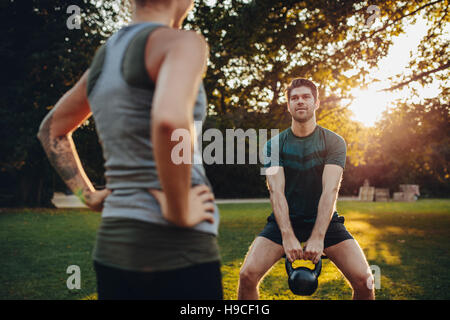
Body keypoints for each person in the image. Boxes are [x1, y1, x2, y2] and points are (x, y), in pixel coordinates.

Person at [37, 0, 222, 300]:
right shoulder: (184, 43)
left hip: (113, 246)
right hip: (177, 248)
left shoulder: (104, 59)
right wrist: (178, 212)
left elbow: (50, 131)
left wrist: (89, 196)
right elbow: (169, 121)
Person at [238, 78, 375, 300]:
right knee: (247, 275)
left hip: (324, 221)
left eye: (305, 97)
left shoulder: (334, 142)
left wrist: (319, 236)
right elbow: (276, 191)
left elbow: (330, 190)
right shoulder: (274, 145)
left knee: (365, 281)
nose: (300, 101)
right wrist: (288, 236)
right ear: (288, 105)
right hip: (284, 221)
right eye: (294, 98)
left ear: (316, 103)